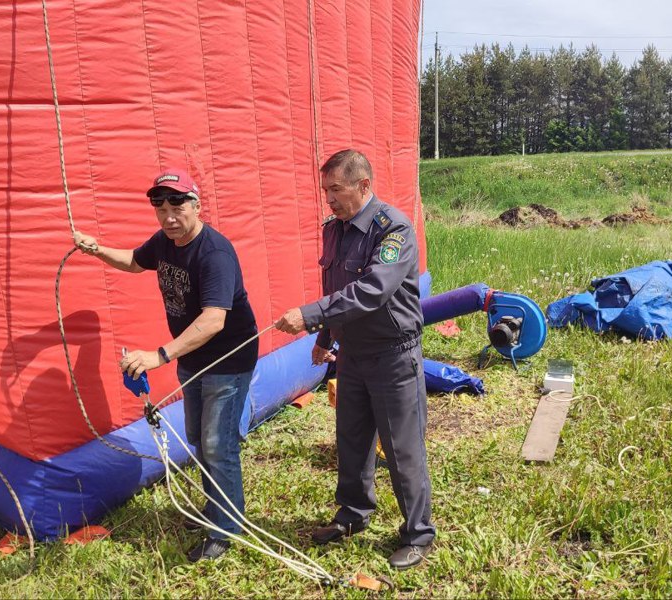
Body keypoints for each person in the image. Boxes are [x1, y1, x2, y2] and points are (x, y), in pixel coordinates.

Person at [74, 168, 258, 563]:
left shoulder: (215, 253)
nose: (168, 215)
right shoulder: (165, 242)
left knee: (216, 444)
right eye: (160, 206)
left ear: (197, 204)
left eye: (177, 204)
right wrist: (97, 249)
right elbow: (135, 262)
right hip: (193, 358)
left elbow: (214, 320)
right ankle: (216, 508)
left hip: (228, 359)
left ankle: (225, 527)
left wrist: (158, 355)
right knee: (197, 436)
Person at [275, 149, 435, 570]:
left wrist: (310, 317)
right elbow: (335, 283)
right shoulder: (335, 229)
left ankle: (418, 534)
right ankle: (352, 515)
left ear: (363, 185)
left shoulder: (393, 229)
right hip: (353, 357)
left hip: (393, 357)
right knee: (352, 440)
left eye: (336, 189)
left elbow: (372, 291)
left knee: (402, 449)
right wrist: (325, 336)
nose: (328, 198)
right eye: (325, 189)